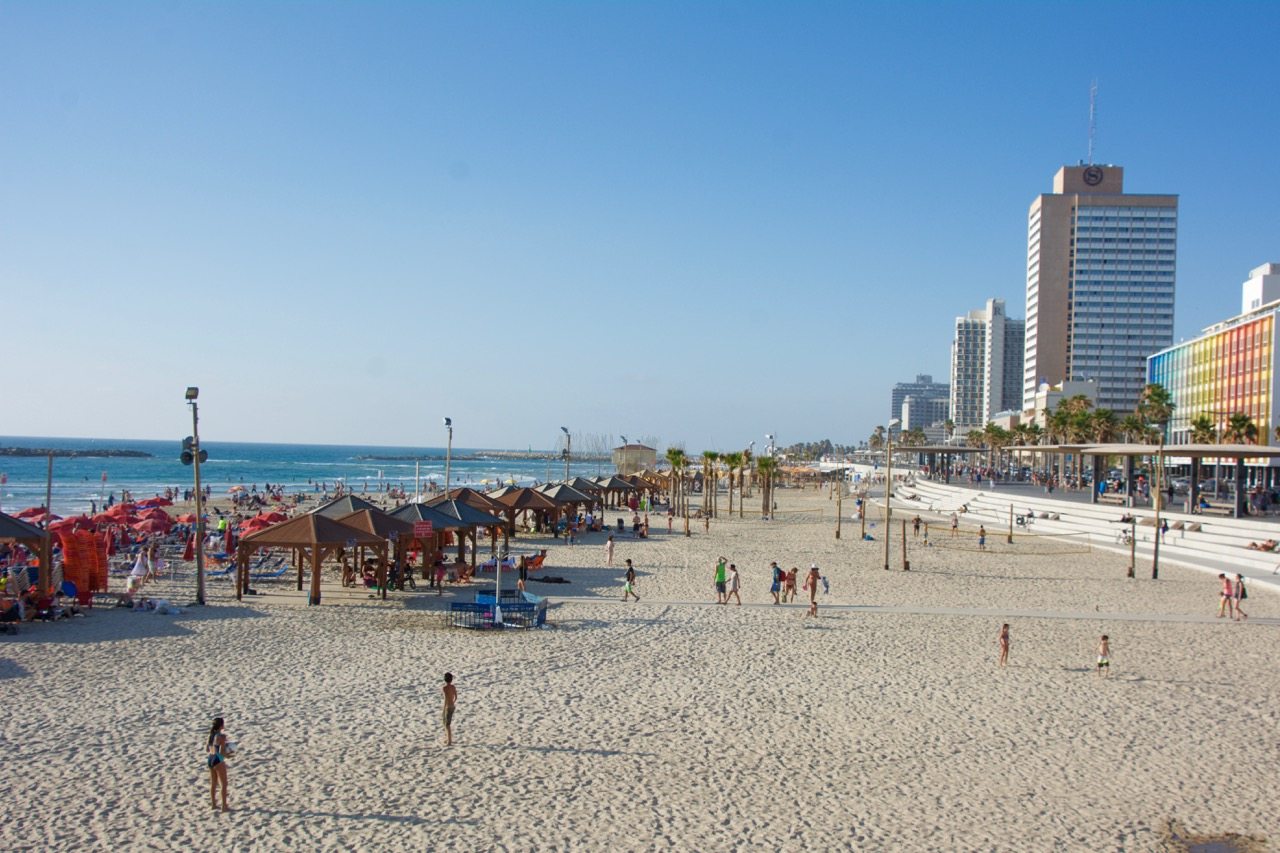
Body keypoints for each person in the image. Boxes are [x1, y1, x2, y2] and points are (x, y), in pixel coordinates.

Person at [206, 717, 231, 812]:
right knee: (223, 784)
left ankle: (213, 804)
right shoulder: (221, 737)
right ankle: (224, 806)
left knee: (213, 783)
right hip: (218, 759)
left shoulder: (210, 736)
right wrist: (228, 755)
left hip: (210, 759)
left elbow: (207, 749)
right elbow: (222, 752)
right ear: (221, 725)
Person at [442, 673, 457, 746]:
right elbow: (456, 696)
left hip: (448, 707)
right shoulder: (453, 687)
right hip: (453, 706)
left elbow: (446, 699)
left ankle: (449, 741)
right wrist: (453, 702)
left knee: (447, 724)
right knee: (445, 722)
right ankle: (447, 738)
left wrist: (444, 708)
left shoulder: (444, 688)